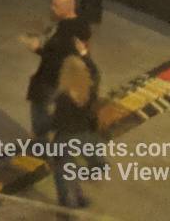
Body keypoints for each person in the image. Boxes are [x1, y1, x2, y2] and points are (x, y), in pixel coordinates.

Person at [51, 22, 102, 211]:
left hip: (65, 137)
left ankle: (66, 208)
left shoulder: (64, 97)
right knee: (87, 165)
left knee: (63, 173)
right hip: (84, 134)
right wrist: (85, 55)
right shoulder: (89, 90)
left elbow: (57, 120)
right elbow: (95, 73)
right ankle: (80, 197)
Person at [21, 0, 82, 141]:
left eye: (55, 5)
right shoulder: (74, 25)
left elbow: (56, 58)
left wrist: (37, 49)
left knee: (40, 110)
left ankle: (40, 146)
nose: (51, 8)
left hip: (51, 78)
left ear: (67, 8)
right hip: (63, 78)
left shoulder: (66, 32)